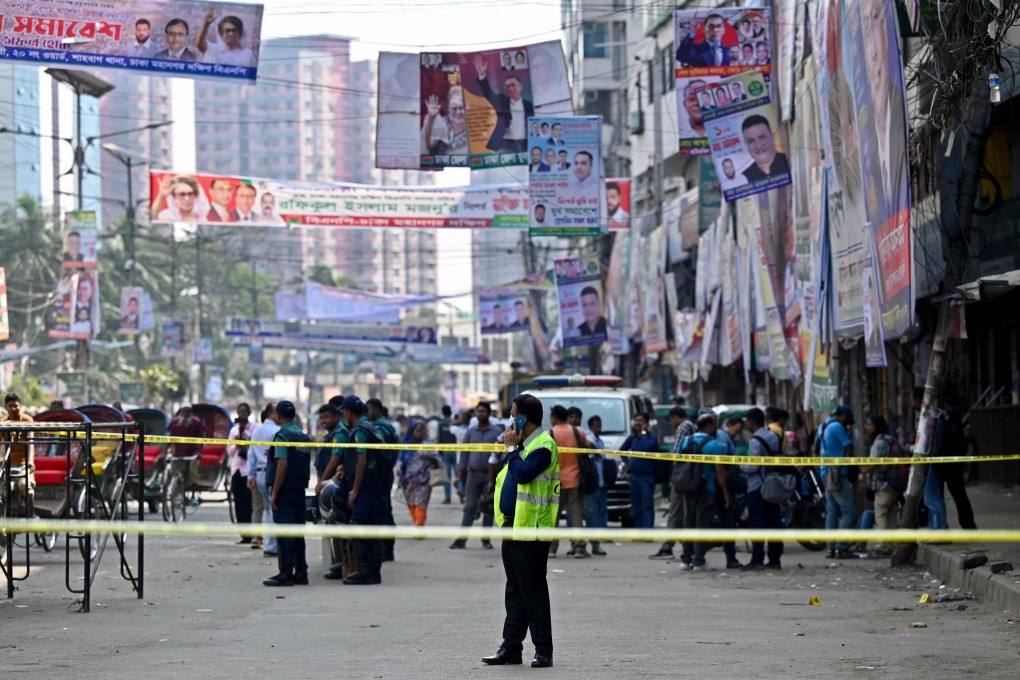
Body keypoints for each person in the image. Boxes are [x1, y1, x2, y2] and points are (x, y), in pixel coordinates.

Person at [482, 394, 558, 669]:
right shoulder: (525, 445)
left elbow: (524, 474)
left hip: (531, 530)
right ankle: (511, 647)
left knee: (533, 591)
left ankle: (544, 650)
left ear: (524, 419)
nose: (510, 421)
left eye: (513, 416)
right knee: (514, 590)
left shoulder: (543, 445)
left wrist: (511, 449)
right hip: (513, 526)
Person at [858, 0, 908, 227]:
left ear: (886, 32)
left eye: (875, 20)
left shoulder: (902, 116)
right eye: (865, 30)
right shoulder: (866, 145)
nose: (873, 52)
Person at [341, 395, 388, 585]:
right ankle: (374, 572)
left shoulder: (360, 431)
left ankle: (365, 571)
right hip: (375, 485)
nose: (344, 416)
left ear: (349, 412)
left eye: (344, 412)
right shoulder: (371, 428)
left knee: (359, 525)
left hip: (365, 487)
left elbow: (361, 462)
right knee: (372, 528)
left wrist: (354, 490)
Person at [263, 401, 311, 587]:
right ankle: (301, 572)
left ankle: (286, 573)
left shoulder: (282, 435)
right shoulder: (302, 436)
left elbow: (283, 465)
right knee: (297, 531)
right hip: (299, 489)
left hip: (285, 490)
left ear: (278, 416)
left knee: (284, 532)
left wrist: (274, 493)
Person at [678, 414, 730, 571]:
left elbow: (678, 462)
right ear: (709, 426)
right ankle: (699, 561)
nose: (717, 427)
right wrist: (726, 493)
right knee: (702, 525)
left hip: (687, 488)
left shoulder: (685, 441)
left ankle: (686, 560)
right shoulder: (716, 446)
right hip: (706, 489)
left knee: (688, 522)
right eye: (715, 424)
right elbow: (719, 470)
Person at [451, 402, 502, 549]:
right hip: (473, 475)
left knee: (489, 508)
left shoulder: (497, 432)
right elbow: (464, 456)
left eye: (483, 411)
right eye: (478, 411)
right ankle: (461, 540)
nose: (481, 414)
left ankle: (486, 541)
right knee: (469, 507)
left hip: (490, 476)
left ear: (489, 413)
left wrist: (496, 477)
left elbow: (501, 455)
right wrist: (459, 476)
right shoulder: (470, 432)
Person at [651, 406, 697, 560]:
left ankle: (667, 548)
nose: (672, 423)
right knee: (685, 514)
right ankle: (688, 548)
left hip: (682, 476)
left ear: (676, 417)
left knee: (675, 512)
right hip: (691, 476)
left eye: (672, 420)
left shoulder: (683, 427)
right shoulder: (693, 427)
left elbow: (676, 454)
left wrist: (673, 473)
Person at [740, 408, 784, 570]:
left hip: (757, 487)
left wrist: (741, 466)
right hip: (773, 486)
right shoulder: (774, 436)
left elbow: (753, 466)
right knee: (774, 523)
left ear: (751, 422)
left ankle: (757, 559)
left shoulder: (755, 440)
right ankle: (775, 560)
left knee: (757, 524)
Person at [924, 399, 977, 531]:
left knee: (936, 497)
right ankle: (969, 526)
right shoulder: (950, 416)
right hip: (953, 463)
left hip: (938, 463)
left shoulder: (932, 418)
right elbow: (962, 439)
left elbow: (928, 442)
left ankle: (940, 528)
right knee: (960, 496)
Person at [548, 405, 590, 558]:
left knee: (553, 516)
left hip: (555, 482)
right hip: (574, 479)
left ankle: (551, 549)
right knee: (576, 515)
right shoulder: (578, 432)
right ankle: (579, 548)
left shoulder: (550, 433)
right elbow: (586, 448)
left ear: (554, 417)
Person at [818, 405, 857, 559]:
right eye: (847, 421)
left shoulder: (823, 426)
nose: (847, 425)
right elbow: (848, 446)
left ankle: (831, 548)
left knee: (832, 511)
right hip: (836, 473)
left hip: (825, 471)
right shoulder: (837, 427)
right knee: (849, 510)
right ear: (843, 416)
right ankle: (841, 547)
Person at [473, 55, 534, 152]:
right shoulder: (502, 101)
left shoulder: (529, 106)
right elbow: (488, 93)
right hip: (506, 144)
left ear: (521, 86)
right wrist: (482, 75)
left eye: (513, 85)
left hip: (526, 143)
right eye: (508, 86)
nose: (510, 88)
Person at [862, 414, 901, 557]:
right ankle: (892, 545)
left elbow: (872, 464)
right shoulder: (891, 439)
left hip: (883, 484)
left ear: (876, 426)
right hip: (895, 484)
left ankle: (882, 545)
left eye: (869, 425)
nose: (867, 428)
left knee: (881, 514)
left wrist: (861, 468)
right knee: (891, 515)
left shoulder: (878, 443)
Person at [247, 403, 280, 557]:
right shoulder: (277, 431)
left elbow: (251, 454)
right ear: (270, 414)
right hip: (272, 473)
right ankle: (271, 546)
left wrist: (250, 475)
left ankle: (271, 544)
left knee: (268, 510)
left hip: (260, 474)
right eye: (277, 412)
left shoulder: (256, 431)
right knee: (273, 510)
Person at [620, 413, 660, 530]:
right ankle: (639, 532)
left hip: (647, 477)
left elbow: (648, 447)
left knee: (647, 506)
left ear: (646, 423)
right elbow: (622, 450)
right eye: (636, 420)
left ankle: (647, 532)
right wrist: (628, 462)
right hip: (634, 477)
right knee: (636, 507)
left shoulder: (651, 438)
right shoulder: (632, 438)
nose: (637, 423)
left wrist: (643, 433)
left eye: (640, 421)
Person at [397, 420, 439, 526]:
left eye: (421, 431)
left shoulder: (428, 445)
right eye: (417, 431)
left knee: (421, 504)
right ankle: (417, 523)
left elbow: (438, 460)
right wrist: (399, 468)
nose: (420, 433)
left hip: (424, 481)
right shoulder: (406, 445)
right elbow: (400, 459)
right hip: (408, 482)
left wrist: (429, 458)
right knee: (411, 504)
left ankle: (419, 526)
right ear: (412, 432)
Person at [226, 403, 255, 544]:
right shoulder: (233, 430)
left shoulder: (254, 428)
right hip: (237, 470)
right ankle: (244, 534)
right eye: (240, 411)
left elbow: (255, 446)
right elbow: (229, 451)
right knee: (239, 503)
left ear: (249, 413)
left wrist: (245, 436)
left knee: (250, 502)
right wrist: (237, 443)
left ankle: (252, 533)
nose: (242, 414)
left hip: (248, 471)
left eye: (244, 411)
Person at [1, 393, 35, 516]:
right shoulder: (3, 422)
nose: (13, 408)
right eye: (10, 406)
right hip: (8, 464)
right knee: (2, 493)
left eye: (16, 405)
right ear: (6, 407)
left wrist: (30, 462)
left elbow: (30, 442)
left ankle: (31, 515)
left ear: (20, 405)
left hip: (24, 464)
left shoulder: (27, 420)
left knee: (26, 487)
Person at [580, 414, 609, 556]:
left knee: (600, 511)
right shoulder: (589, 438)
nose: (599, 429)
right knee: (591, 513)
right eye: (596, 426)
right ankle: (594, 544)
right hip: (591, 482)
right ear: (591, 427)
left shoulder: (600, 441)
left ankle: (600, 537)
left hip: (600, 482)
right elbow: (589, 446)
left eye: (600, 426)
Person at [741, 114, 790, 182]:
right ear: (746, 144)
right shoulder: (744, 178)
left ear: (772, 137)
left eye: (762, 137)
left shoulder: (789, 160)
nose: (758, 146)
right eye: (751, 141)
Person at [422, 85, 469, 157]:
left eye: (461, 108)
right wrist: (431, 117)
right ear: (448, 109)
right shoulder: (443, 123)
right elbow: (430, 145)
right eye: (454, 108)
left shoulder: (472, 123)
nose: (458, 112)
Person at [168, 405, 204, 492]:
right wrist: (164, 452)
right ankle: (175, 489)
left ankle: (192, 488)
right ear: (181, 412)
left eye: (188, 411)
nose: (186, 413)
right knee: (174, 471)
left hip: (193, 453)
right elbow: (168, 438)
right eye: (184, 411)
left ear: (191, 413)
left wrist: (199, 452)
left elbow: (202, 438)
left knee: (192, 470)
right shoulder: (174, 422)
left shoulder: (196, 422)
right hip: (178, 452)